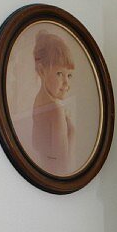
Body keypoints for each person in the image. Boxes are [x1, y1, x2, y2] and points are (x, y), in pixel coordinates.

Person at [32, 30, 76, 174]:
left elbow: (37, 144)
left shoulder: (38, 102)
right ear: (41, 70)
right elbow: (62, 167)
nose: (66, 83)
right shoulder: (56, 109)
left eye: (69, 75)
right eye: (59, 74)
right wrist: (71, 132)